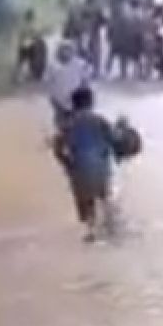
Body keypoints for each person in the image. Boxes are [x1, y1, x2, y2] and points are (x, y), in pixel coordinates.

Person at [53, 87, 117, 242]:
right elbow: (114, 140)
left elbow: (58, 147)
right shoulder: (100, 120)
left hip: (79, 169)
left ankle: (91, 232)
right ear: (91, 102)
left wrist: (67, 164)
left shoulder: (68, 124)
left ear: (74, 104)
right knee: (105, 198)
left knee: (87, 206)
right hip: (101, 167)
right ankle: (111, 230)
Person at [43, 40, 90, 127]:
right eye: (63, 49)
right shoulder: (52, 65)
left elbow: (85, 80)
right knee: (60, 120)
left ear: (73, 51)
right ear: (59, 50)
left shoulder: (80, 64)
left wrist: (84, 95)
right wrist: (51, 96)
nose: (66, 52)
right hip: (58, 98)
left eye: (68, 49)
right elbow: (47, 81)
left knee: (75, 120)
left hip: (76, 98)